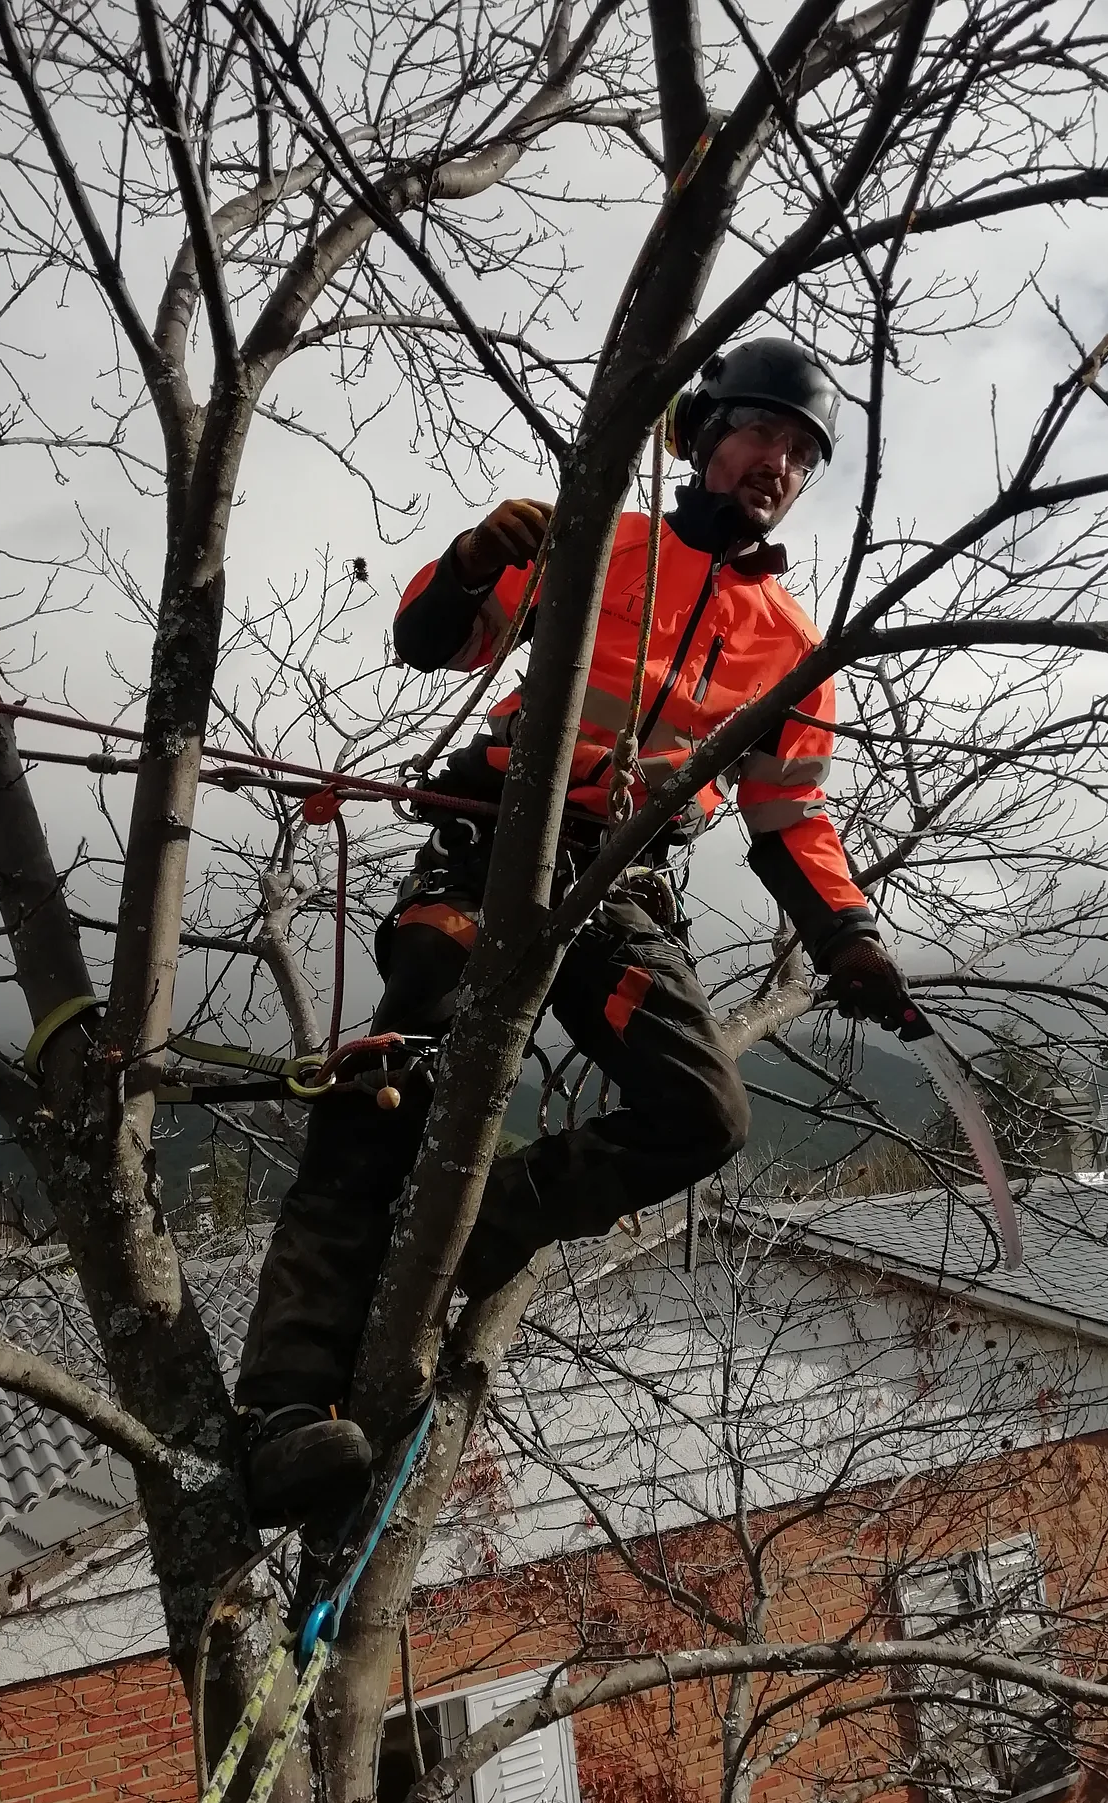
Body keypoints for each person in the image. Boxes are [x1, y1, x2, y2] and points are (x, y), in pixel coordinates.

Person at [235, 337, 911, 1523]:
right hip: (489, 836)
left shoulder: (797, 649)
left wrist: (849, 934)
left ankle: (461, 1235)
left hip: (621, 885)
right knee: (395, 1072)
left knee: (702, 1116)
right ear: (701, 436)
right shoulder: (599, 545)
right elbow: (433, 641)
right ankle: (286, 1411)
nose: (779, 465)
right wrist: (471, 557)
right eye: (760, 433)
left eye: (803, 454)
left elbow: (789, 814)